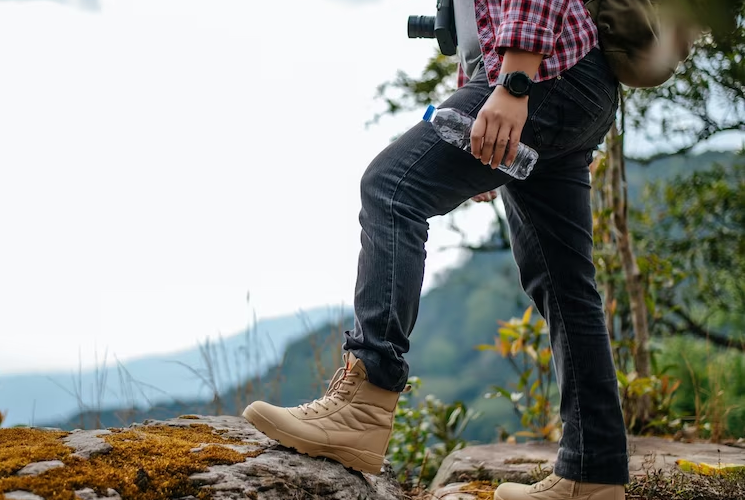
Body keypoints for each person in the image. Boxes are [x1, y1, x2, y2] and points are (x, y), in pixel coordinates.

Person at [243, 1, 629, 499]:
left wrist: (512, 87)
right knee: (563, 283)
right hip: (575, 78)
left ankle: (363, 404)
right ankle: (593, 473)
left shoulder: (524, 78)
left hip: (544, 74)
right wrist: (485, 97)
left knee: (392, 188)